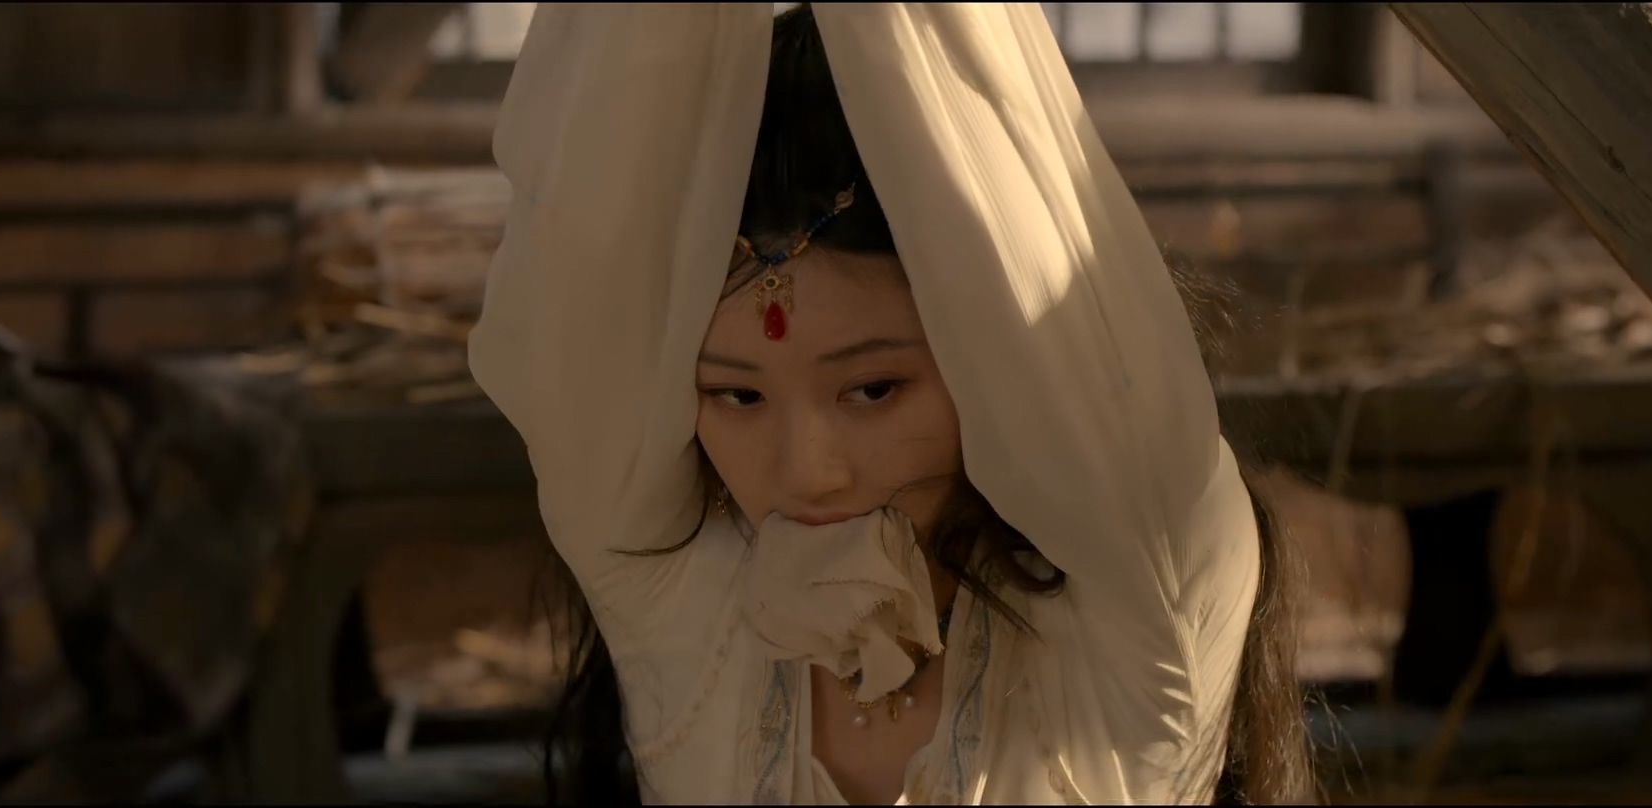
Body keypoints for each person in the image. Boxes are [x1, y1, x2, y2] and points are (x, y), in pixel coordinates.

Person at [470, 3, 1313, 804]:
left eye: (874, 390)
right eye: (737, 394)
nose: (807, 471)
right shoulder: (675, 594)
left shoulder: (1141, 608)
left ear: (991, 356)